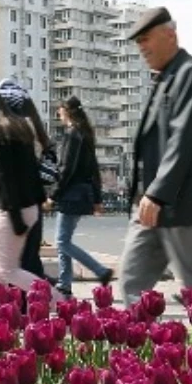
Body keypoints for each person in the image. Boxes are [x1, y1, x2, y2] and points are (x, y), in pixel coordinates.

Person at [119, 7, 192, 305]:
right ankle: (134, 348)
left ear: (170, 35)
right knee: (132, 282)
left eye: (146, 38)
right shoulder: (165, 78)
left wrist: (158, 193)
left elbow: (184, 137)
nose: (142, 47)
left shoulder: (191, 74)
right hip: (151, 205)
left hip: (179, 202)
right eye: (138, 41)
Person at [0, 86, 44, 292]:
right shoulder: (19, 127)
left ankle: (59, 302)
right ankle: (2, 316)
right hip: (28, 205)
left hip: (11, 209)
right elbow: (32, 171)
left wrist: (15, 218)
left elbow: (6, 179)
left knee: (4, 270)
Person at [47, 96, 113, 296]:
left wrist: (53, 195)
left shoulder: (73, 134)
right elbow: (93, 169)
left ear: (66, 111)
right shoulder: (85, 134)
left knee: (61, 242)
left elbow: (66, 169)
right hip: (81, 193)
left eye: (59, 110)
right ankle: (65, 284)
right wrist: (97, 198)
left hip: (70, 194)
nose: (58, 114)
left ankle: (100, 271)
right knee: (63, 239)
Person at [0, 79, 52, 282]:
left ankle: (51, 300)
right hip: (32, 202)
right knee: (28, 259)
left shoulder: (8, 132)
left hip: (14, 205)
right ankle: (38, 305)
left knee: (3, 264)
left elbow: (8, 178)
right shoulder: (33, 128)